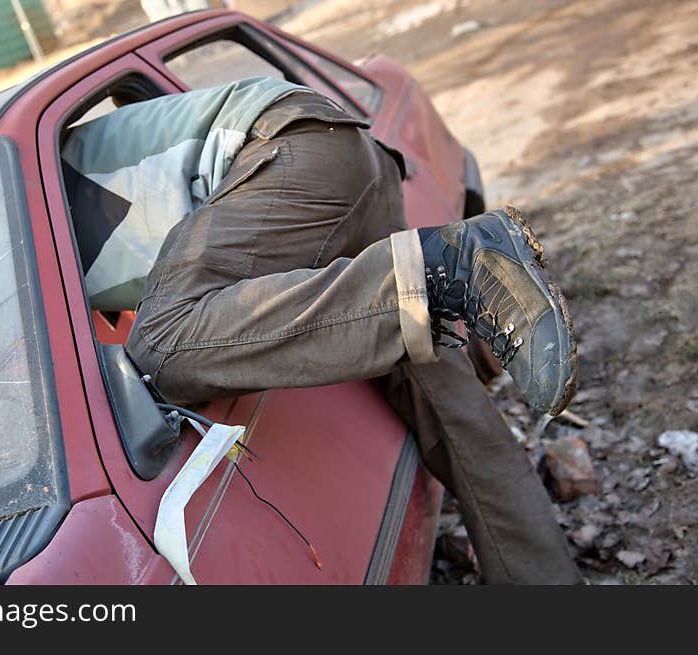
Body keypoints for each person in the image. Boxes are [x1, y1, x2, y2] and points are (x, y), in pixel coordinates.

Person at [62, 76, 582, 584]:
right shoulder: (34, 186)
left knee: (160, 346)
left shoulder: (8, 208)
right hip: (334, 154)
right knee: (462, 428)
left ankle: (451, 266)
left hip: (286, 158)